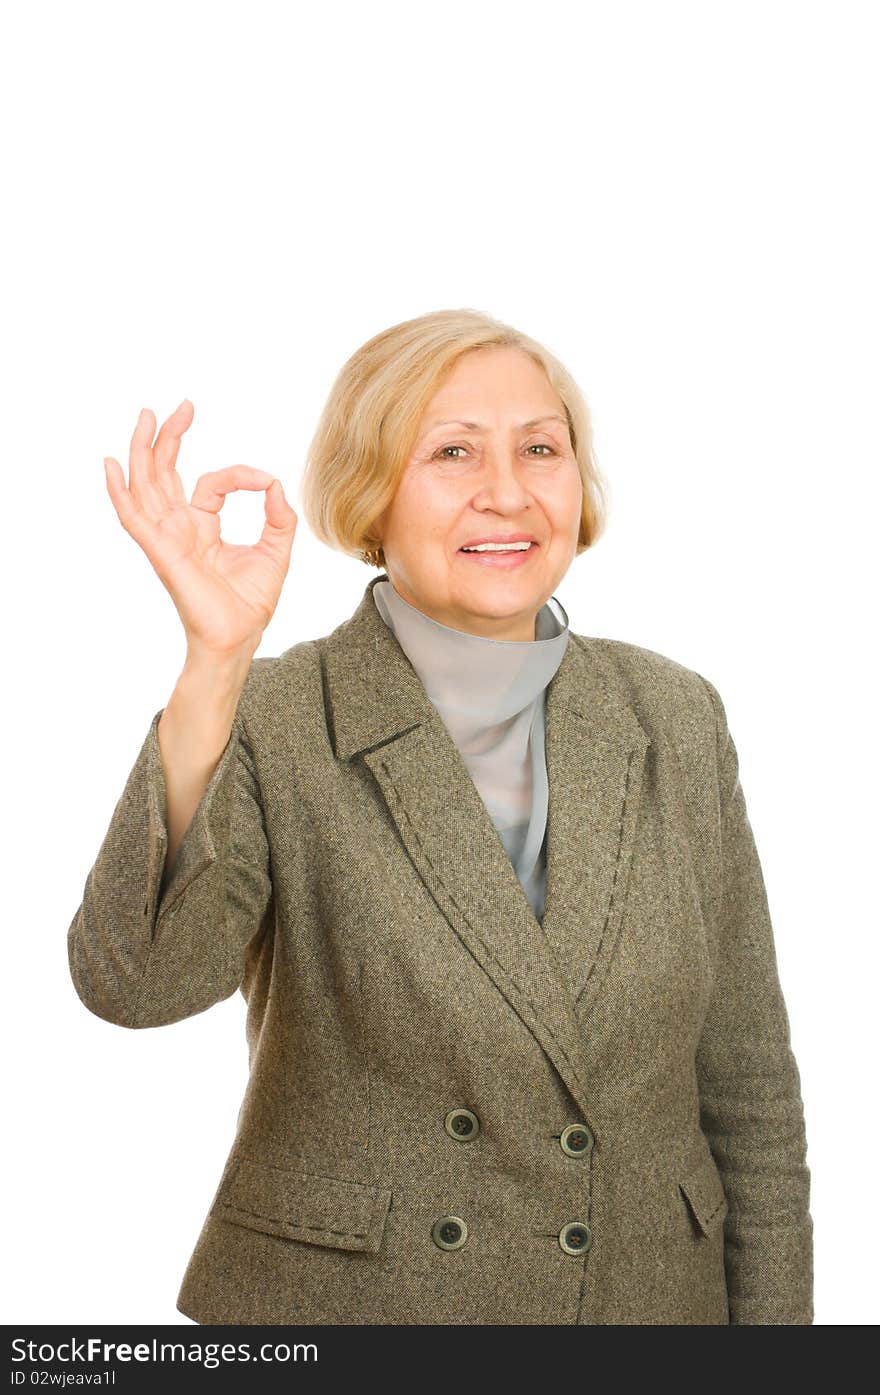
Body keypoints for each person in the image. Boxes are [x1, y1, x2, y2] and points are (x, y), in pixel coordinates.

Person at [68, 308, 814, 1325]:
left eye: (540, 450)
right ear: (369, 497)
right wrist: (214, 666)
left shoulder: (672, 714)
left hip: (642, 1310)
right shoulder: (277, 716)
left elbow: (747, 1088)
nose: (506, 492)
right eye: (452, 452)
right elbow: (137, 985)